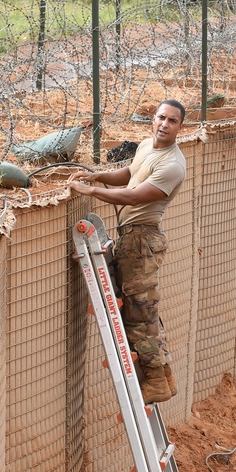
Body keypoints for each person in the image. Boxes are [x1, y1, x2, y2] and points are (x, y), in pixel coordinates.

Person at [68, 100, 187, 404]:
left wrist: (92, 191)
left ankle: (157, 380)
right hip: (132, 238)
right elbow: (130, 175)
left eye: (172, 121)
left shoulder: (173, 164)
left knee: (138, 313)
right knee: (142, 309)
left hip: (142, 240)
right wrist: (97, 176)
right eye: (161, 117)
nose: (164, 124)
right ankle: (164, 376)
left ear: (179, 128)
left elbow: (134, 196)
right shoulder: (148, 146)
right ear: (153, 119)